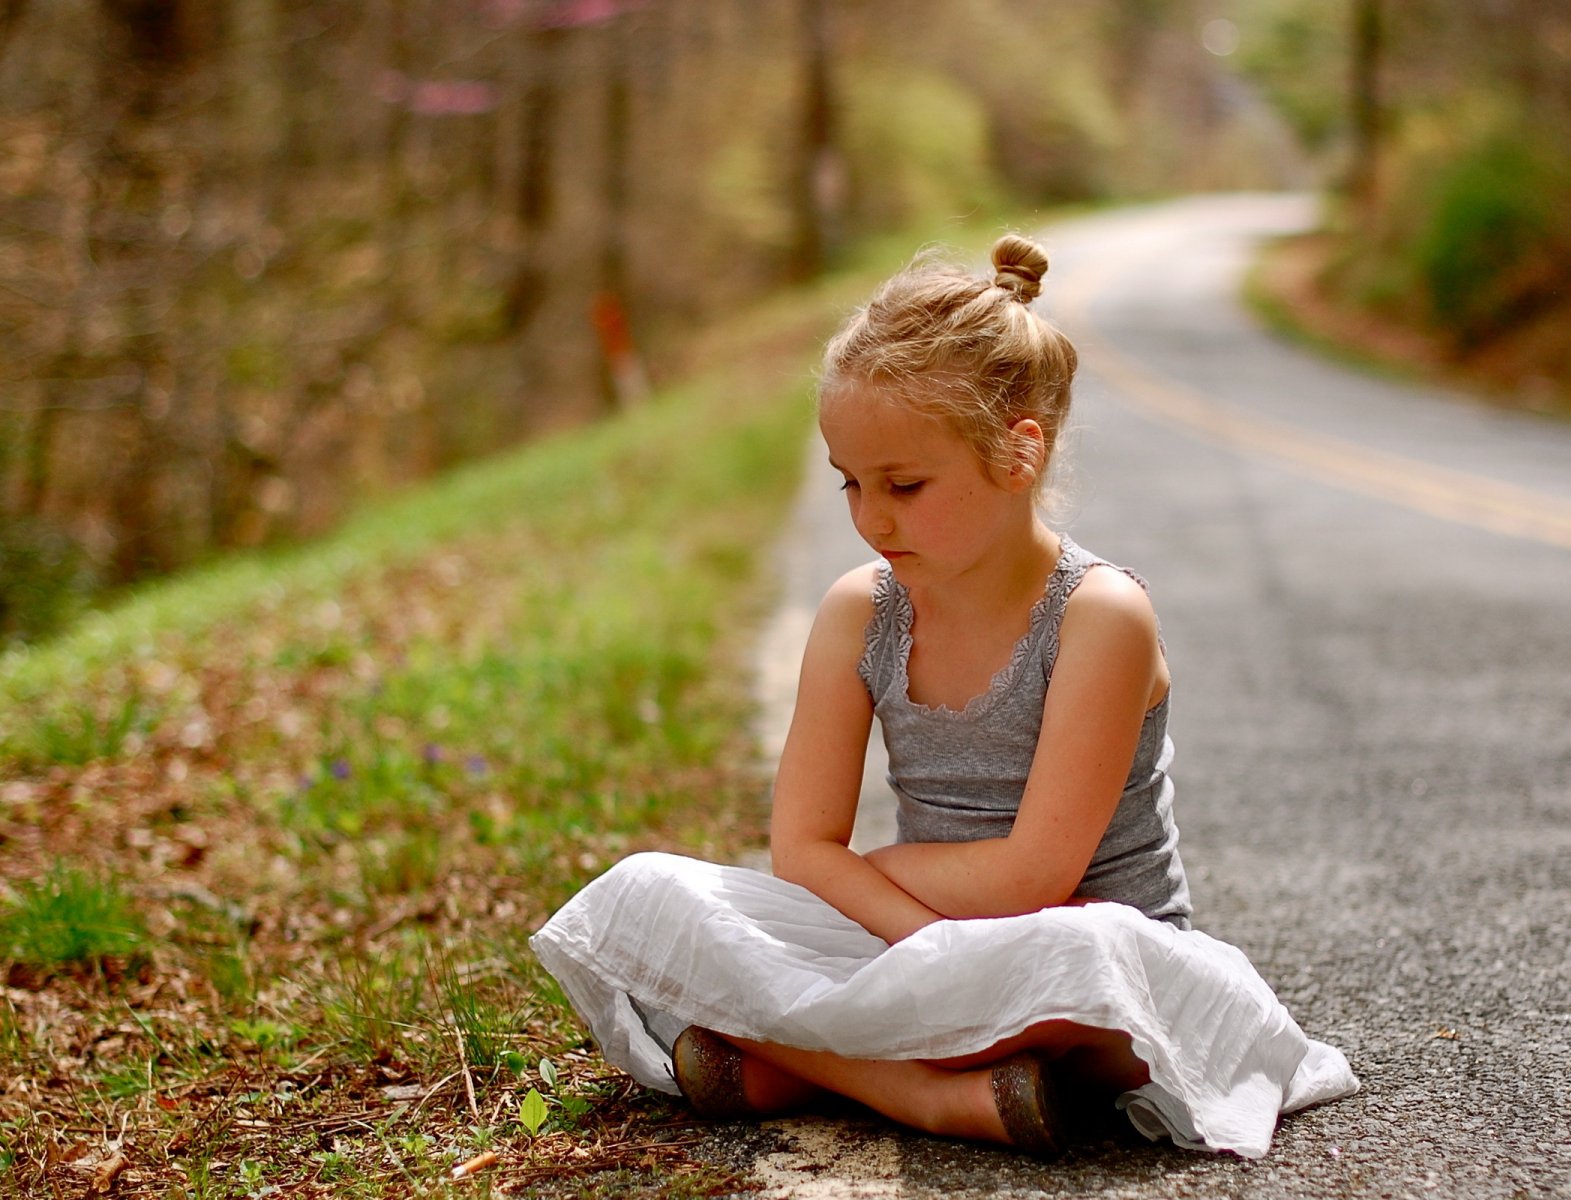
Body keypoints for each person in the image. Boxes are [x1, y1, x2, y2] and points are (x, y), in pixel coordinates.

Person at [531, 234, 1357, 1158]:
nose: (871, 517)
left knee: (1084, 954)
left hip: (1083, 962)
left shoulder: (1099, 617)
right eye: (850, 483)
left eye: (905, 485)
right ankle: (933, 1089)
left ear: (1018, 454)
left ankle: (826, 1067)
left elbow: (1033, 879)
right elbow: (800, 848)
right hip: (912, 936)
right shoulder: (860, 613)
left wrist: (879, 895)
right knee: (645, 895)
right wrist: (914, 947)